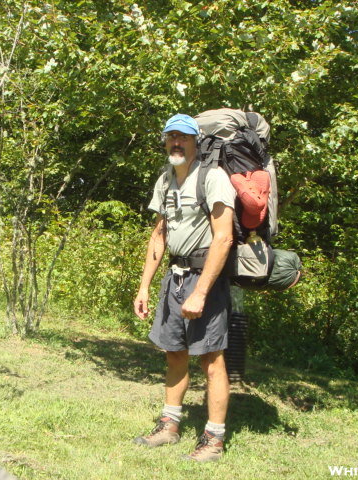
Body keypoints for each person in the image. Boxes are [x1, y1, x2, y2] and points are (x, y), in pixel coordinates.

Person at [133, 113, 236, 462]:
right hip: (173, 278)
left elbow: (224, 238)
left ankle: (214, 440)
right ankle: (169, 426)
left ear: (196, 143)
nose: (177, 142)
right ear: (165, 141)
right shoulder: (165, 179)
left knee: (211, 358)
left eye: (184, 137)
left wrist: (201, 291)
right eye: (171, 137)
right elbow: (158, 235)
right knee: (173, 352)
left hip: (204, 277)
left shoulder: (213, 177)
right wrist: (144, 286)